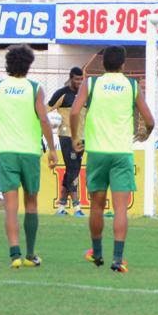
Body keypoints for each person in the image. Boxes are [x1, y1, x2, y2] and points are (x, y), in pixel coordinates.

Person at [70, 45, 154, 273]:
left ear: (102, 64)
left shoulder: (91, 83)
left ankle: (96, 253)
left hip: (97, 152)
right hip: (121, 153)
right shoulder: (132, 86)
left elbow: (75, 111)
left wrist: (77, 137)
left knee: (96, 207)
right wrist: (144, 134)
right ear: (123, 64)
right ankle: (118, 259)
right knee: (120, 209)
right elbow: (149, 120)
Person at [0, 44, 58, 269]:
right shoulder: (35, 88)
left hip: (6, 151)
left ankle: (14, 254)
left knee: (10, 205)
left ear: (8, 64)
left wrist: (7, 132)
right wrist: (53, 149)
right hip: (29, 152)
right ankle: (30, 254)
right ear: (28, 65)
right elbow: (44, 120)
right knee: (31, 203)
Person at [47, 66, 86, 217]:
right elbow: (46, 111)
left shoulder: (85, 95)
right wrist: (51, 123)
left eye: (81, 79)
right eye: (76, 79)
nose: (79, 82)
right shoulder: (62, 94)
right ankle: (77, 207)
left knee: (73, 170)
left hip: (81, 137)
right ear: (70, 78)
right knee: (72, 169)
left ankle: (61, 207)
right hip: (66, 136)